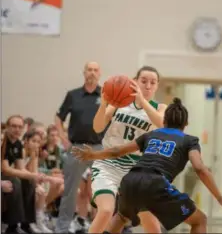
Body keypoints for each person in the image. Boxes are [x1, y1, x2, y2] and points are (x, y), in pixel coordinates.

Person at [72, 98, 222, 233]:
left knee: (122, 217)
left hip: (130, 180)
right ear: (186, 123)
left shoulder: (152, 134)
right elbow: (199, 168)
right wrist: (221, 198)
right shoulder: (189, 140)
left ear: (163, 121)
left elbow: (117, 151)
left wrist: (93, 155)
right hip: (156, 183)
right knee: (199, 220)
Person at [89, 66, 167, 233]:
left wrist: (142, 101)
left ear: (157, 86)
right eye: (143, 81)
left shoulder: (160, 108)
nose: (147, 86)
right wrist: (104, 104)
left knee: (152, 224)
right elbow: (97, 127)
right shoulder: (120, 103)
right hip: (108, 163)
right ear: (135, 82)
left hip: (137, 169)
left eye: (152, 82)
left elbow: (162, 124)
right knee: (106, 211)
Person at [55, 61, 104, 233]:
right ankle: (62, 227)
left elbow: (115, 120)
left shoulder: (106, 94)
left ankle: (102, 227)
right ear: (84, 73)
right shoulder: (73, 95)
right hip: (76, 147)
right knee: (70, 190)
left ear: (100, 73)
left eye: (95, 70)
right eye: (89, 69)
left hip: (99, 148)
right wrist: (63, 138)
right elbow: (58, 117)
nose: (92, 73)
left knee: (103, 190)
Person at [1, 115, 45, 234]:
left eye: (20, 127)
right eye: (14, 126)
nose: (17, 129)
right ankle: (12, 226)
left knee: (28, 181)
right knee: (15, 181)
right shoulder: (3, 141)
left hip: (6, 174)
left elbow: (20, 168)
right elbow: (5, 169)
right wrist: (32, 175)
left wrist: (33, 177)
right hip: (2, 174)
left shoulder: (17, 144)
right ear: (7, 127)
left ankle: (26, 223)